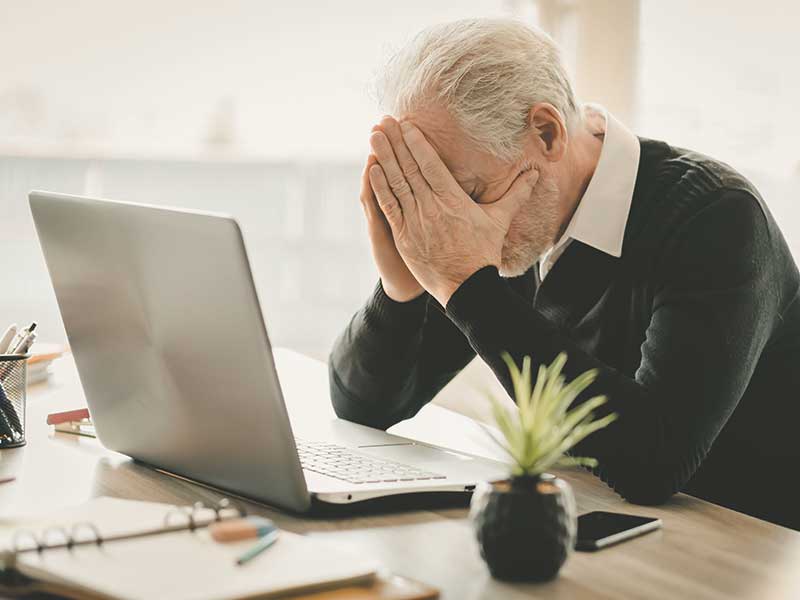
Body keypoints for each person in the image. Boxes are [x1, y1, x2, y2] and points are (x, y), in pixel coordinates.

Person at [328, 19, 800, 530]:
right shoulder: (509, 211)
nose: (448, 221)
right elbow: (364, 408)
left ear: (546, 133)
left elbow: (656, 461)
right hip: (600, 522)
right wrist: (399, 287)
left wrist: (467, 287)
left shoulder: (718, 218)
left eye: (465, 192)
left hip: (741, 544)